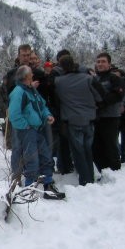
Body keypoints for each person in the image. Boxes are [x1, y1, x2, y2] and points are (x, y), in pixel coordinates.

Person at [8, 65, 64, 199]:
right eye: (31, 74)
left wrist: (47, 115)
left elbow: (42, 105)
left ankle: (48, 184)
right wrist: (26, 126)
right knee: (31, 160)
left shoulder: (31, 90)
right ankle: (29, 189)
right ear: (26, 77)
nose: (33, 76)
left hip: (38, 129)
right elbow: (14, 115)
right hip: (27, 131)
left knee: (45, 156)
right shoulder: (18, 92)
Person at [53, 55, 103, 186]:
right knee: (88, 149)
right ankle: (90, 177)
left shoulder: (58, 82)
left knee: (78, 151)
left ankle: (85, 180)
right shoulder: (88, 78)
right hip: (89, 118)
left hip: (72, 119)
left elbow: (56, 99)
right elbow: (99, 96)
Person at [92, 52, 124, 172]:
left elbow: (118, 95)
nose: (100, 64)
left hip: (110, 117)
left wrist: (102, 103)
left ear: (109, 64)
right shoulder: (94, 78)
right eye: (98, 61)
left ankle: (115, 170)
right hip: (96, 118)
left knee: (111, 145)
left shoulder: (114, 78)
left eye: (103, 61)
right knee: (97, 147)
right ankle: (102, 170)